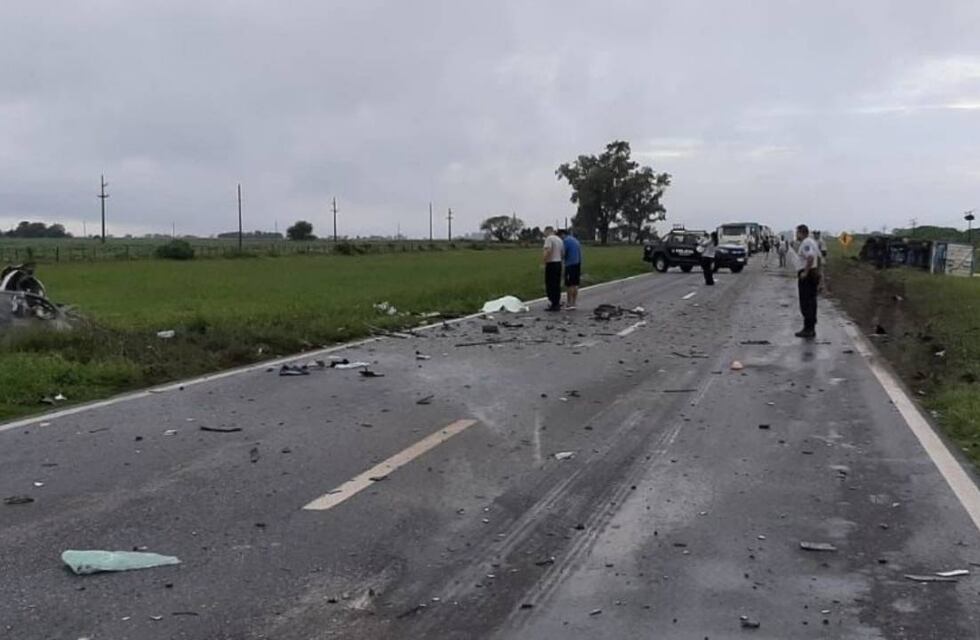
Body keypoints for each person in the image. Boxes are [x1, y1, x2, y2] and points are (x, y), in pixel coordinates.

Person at [795, 224, 822, 338]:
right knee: (811, 301)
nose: (796, 235)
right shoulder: (812, 242)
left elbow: (810, 257)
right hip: (813, 272)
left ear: (802, 232)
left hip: (808, 275)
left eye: (797, 232)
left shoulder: (806, 243)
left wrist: (805, 272)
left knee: (806, 302)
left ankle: (809, 329)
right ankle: (810, 328)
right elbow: (819, 257)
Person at [558, 229, 582, 310]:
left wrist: (560, 258)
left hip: (570, 264)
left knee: (569, 284)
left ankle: (569, 303)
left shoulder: (566, 241)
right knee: (575, 284)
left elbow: (564, 253)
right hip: (577, 263)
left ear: (562, 235)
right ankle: (574, 302)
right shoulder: (575, 240)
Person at [542, 226, 564, 312]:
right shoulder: (559, 240)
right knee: (556, 284)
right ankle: (556, 302)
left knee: (550, 284)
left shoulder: (549, 239)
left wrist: (544, 261)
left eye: (545, 232)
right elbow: (562, 253)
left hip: (551, 263)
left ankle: (553, 303)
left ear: (548, 231)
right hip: (558, 263)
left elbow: (548, 250)